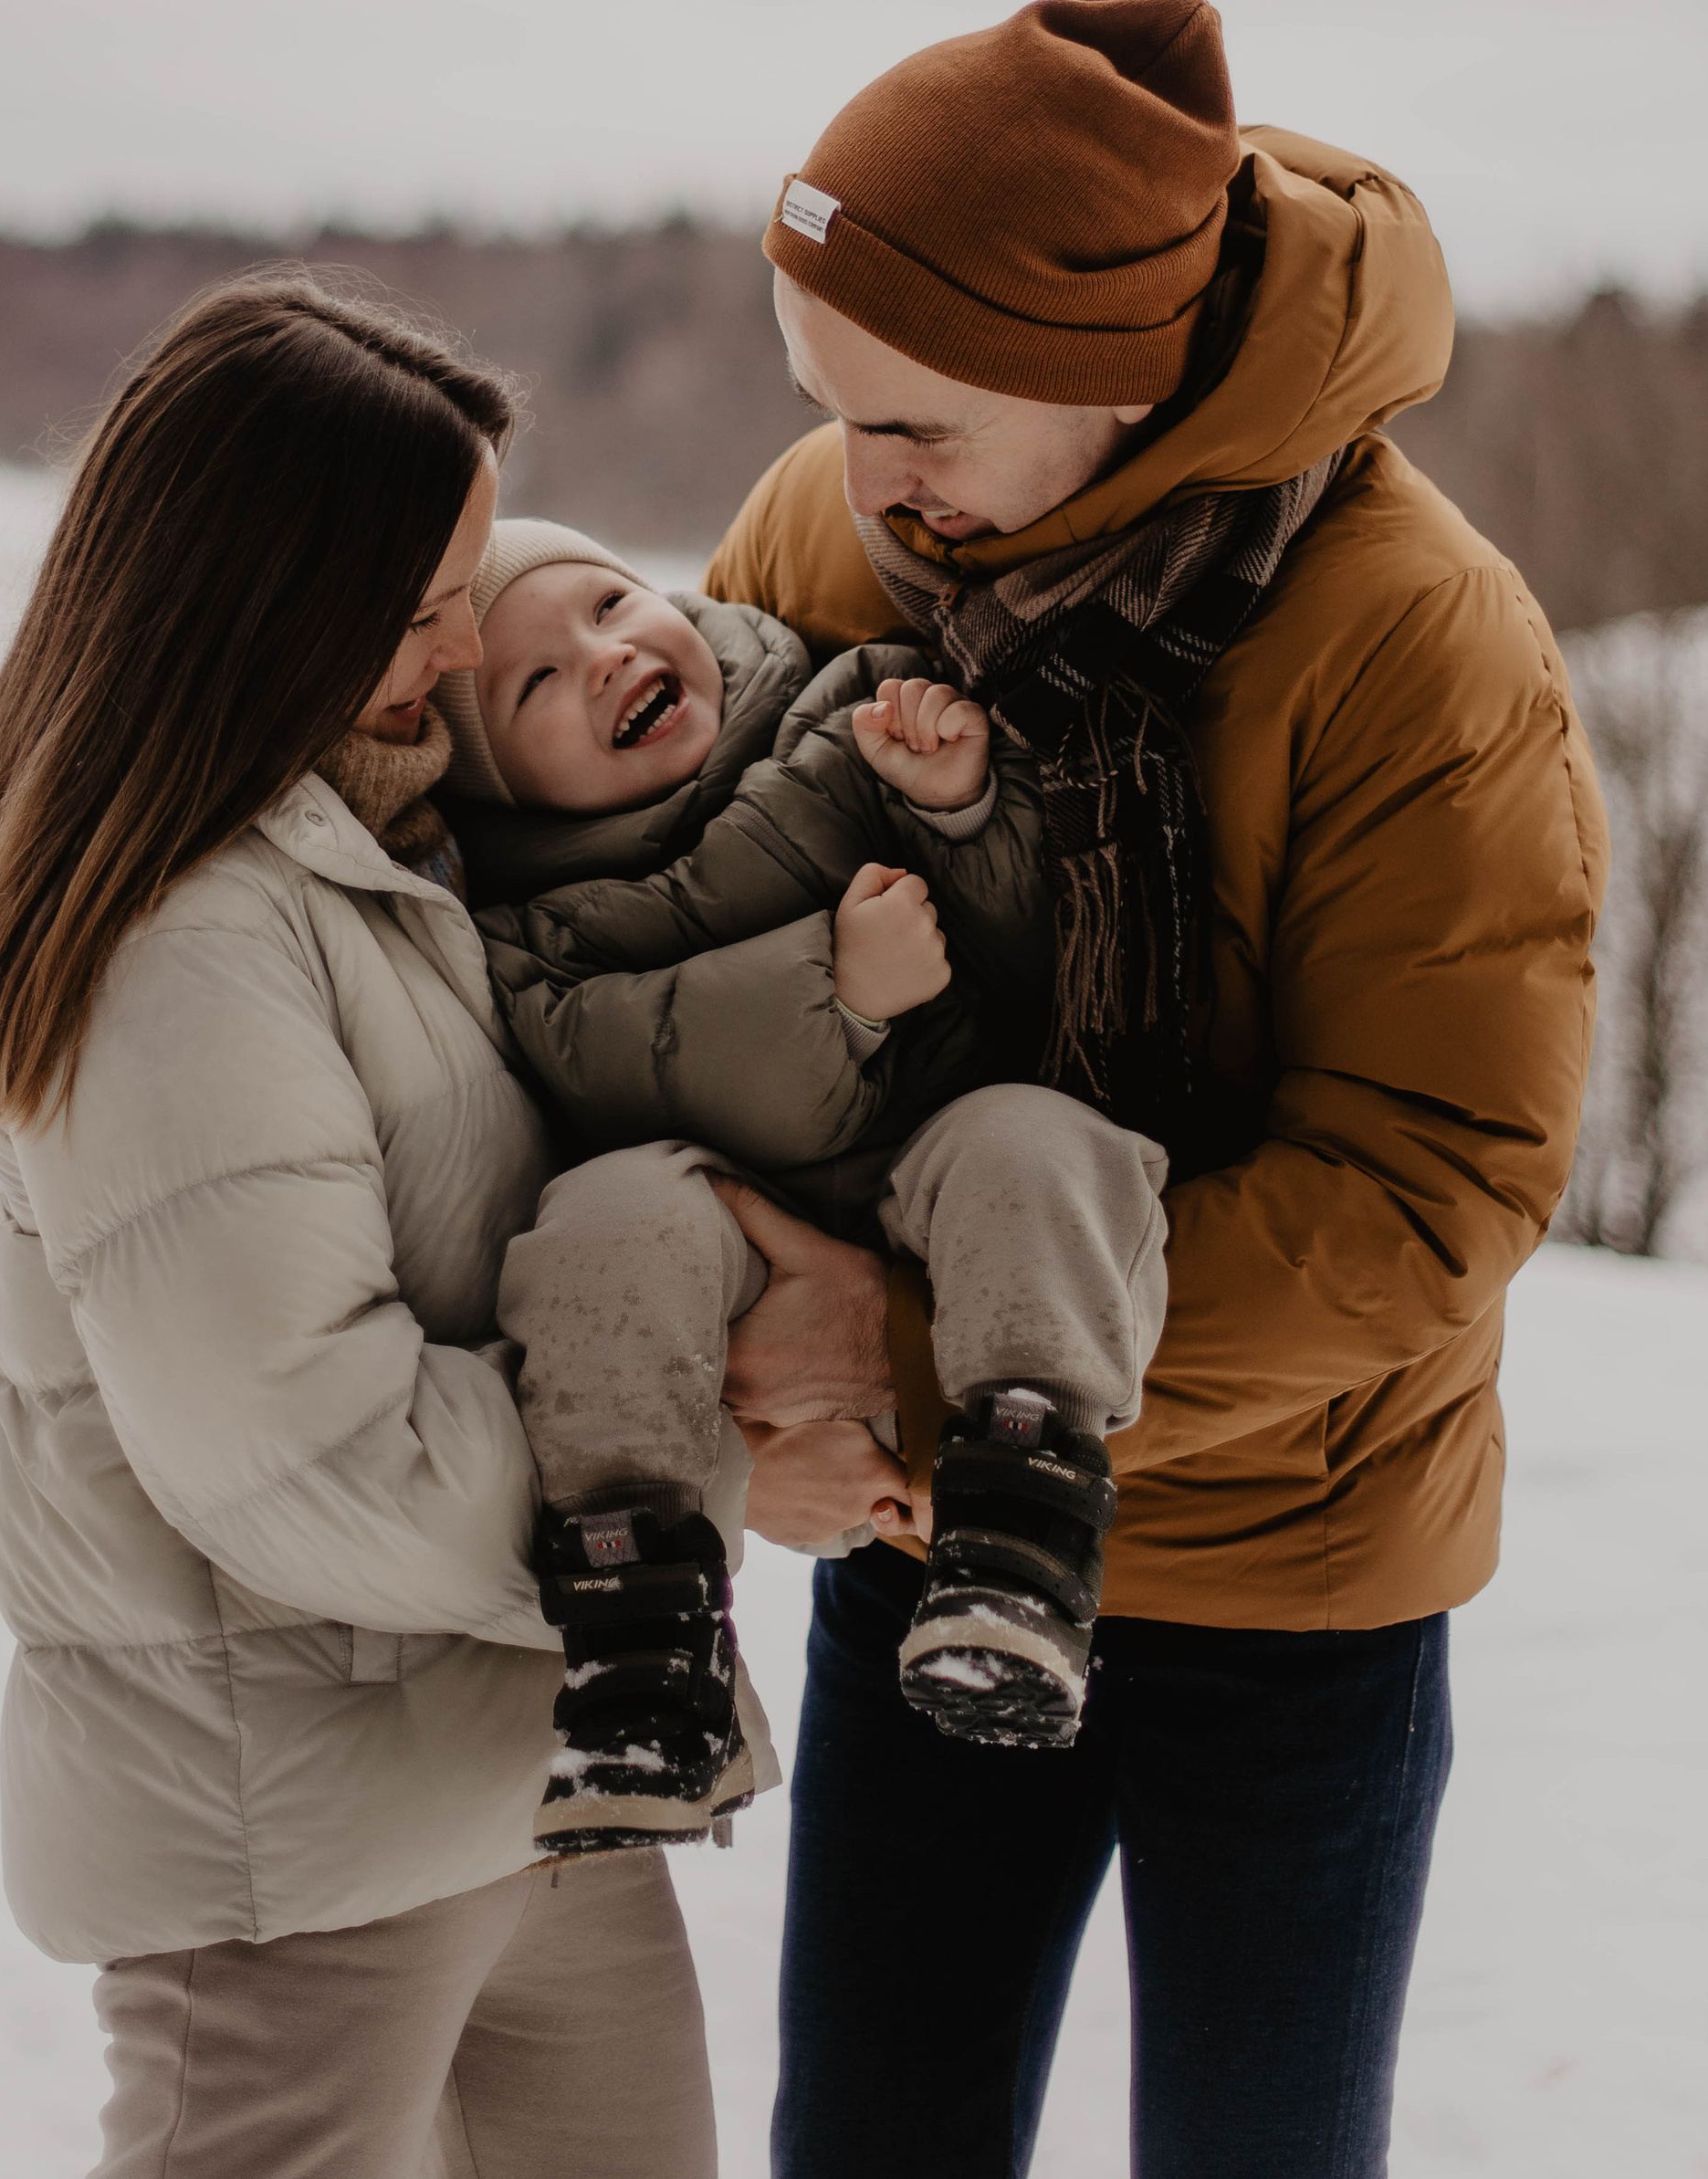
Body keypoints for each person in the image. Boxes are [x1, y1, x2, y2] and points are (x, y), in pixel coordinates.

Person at [704, 0, 1608, 2179]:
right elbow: (675, 941)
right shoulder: (839, 537)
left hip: (1285, 1581)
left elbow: (1421, 1191)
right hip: (928, 1549)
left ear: (1112, 372)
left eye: (914, 419)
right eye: (823, 406)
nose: (857, 474)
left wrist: (913, 1369)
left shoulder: (1414, 639)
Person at [0, 277, 718, 2179]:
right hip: (289, 1853)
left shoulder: (373, 848)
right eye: (422, 595)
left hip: (517, 1764)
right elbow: (310, 1450)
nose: (464, 642)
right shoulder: (176, 934)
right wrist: (695, 1445)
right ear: (263, 595)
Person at [426, 522, 1168, 1848]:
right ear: (503, 789)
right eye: (536, 681)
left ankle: (1021, 1521)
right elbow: (629, 1074)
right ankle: (638, 1632)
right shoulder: (526, 934)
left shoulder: (848, 712)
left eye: (611, 603)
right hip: (736, 1249)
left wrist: (963, 807)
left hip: (942, 1187)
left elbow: (1045, 962)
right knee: (604, 1222)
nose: (604, 657)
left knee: (1039, 1143)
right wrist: (841, 988)